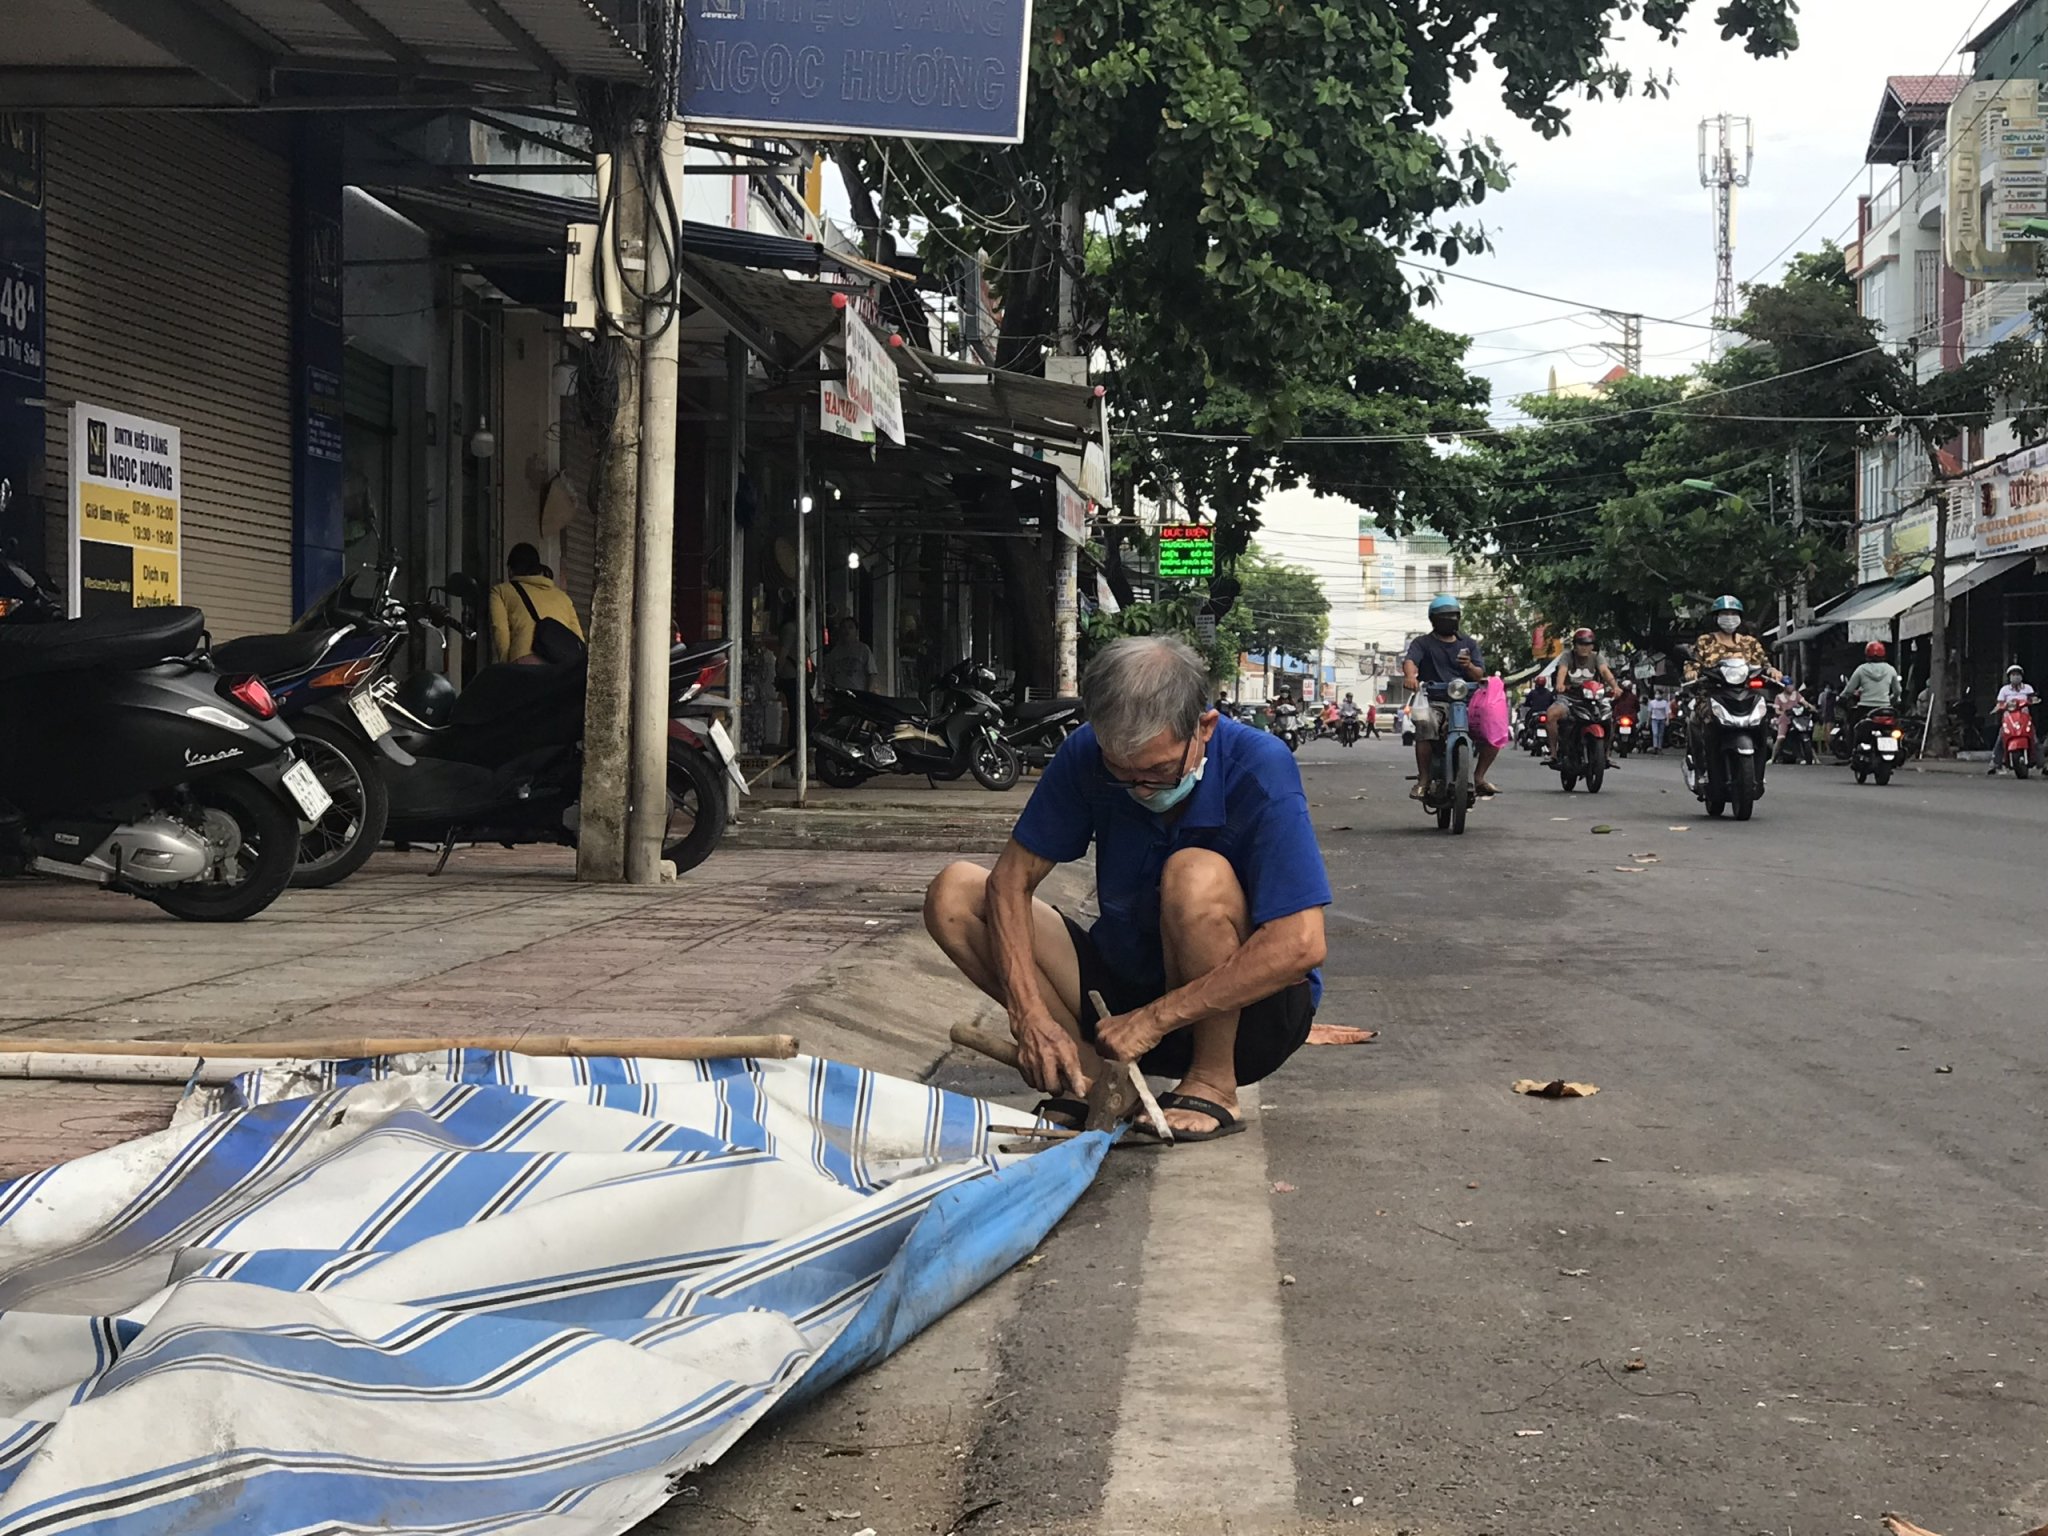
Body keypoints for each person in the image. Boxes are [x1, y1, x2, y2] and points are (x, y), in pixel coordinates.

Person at [922, 635, 1331, 1142]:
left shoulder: (1260, 763)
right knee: (956, 893)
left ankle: (1212, 1082)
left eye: (1159, 771)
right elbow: (1010, 881)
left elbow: (1301, 944)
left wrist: (1154, 1020)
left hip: (1246, 1021)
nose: (1141, 789)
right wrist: (1028, 1015)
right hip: (1119, 1006)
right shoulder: (1086, 753)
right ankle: (1092, 1080)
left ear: (1204, 727)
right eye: (1122, 773)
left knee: (1193, 873)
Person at [1403, 594, 1501, 798]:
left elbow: (1479, 674)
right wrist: (1410, 676)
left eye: (1453, 616)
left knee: (1493, 728)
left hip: (1468, 703)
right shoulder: (1422, 643)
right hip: (1435, 701)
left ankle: (1479, 777)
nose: (1450, 620)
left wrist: (1469, 666)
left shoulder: (1469, 644)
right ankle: (1424, 780)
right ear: (1433, 619)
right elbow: (1410, 661)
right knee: (1425, 725)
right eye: (1444, 617)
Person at [488, 542, 585, 664]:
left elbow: (500, 631)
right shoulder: (563, 597)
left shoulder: (500, 591)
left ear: (510, 570)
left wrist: (507, 665)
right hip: (562, 664)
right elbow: (578, 638)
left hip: (526, 661)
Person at [1545, 628, 1620, 768]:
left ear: (1592, 646)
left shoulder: (1597, 657)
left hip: (1593, 699)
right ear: (1575, 645)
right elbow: (1562, 670)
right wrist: (1560, 684)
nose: (1584, 647)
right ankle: (1553, 754)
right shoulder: (1567, 656)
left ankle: (1606, 755)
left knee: (1610, 718)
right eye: (1581, 644)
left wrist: (1615, 686)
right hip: (1569, 698)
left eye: (1588, 644)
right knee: (1552, 714)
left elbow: (1605, 671)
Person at [1989, 663, 2041, 774]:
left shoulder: (2027, 688)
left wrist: (2032, 701)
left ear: (2021, 676)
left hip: (2024, 718)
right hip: (2009, 718)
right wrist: (1999, 707)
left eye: (2018, 674)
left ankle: (2042, 765)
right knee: (2001, 738)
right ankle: (1994, 764)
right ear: (2009, 677)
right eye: (2013, 675)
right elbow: (1999, 703)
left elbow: (2033, 699)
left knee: (2034, 739)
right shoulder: (2004, 690)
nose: (2015, 677)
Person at [1838, 641, 1903, 728]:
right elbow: (1898, 691)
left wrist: (1841, 697)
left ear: (1867, 655)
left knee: (1851, 726)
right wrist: (1891, 700)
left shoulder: (1861, 669)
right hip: (1885, 708)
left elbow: (1849, 690)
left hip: (1864, 709)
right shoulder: (1890, 669)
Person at [818, 618, 878, 695]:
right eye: (844, 627)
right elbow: (829, 677)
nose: (847, 631)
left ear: (856, 631)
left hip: (859, 694)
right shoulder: (834, 652)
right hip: (841, 695)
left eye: (850, 627)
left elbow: (872, 673)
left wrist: (868, 694)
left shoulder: (863, 650)